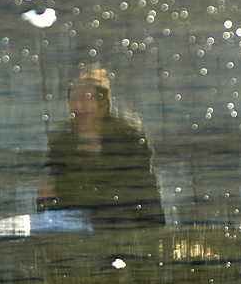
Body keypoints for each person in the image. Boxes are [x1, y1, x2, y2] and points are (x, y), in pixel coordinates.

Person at [37, 66, 165, 230]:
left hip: (125, 223)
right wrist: (46, 194)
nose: (79, 105)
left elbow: (133, 193)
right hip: (76, 225)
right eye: (74, 99)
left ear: (103, 104)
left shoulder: (128, 140)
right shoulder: (61, 142)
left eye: (86, 98)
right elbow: (49, 188)